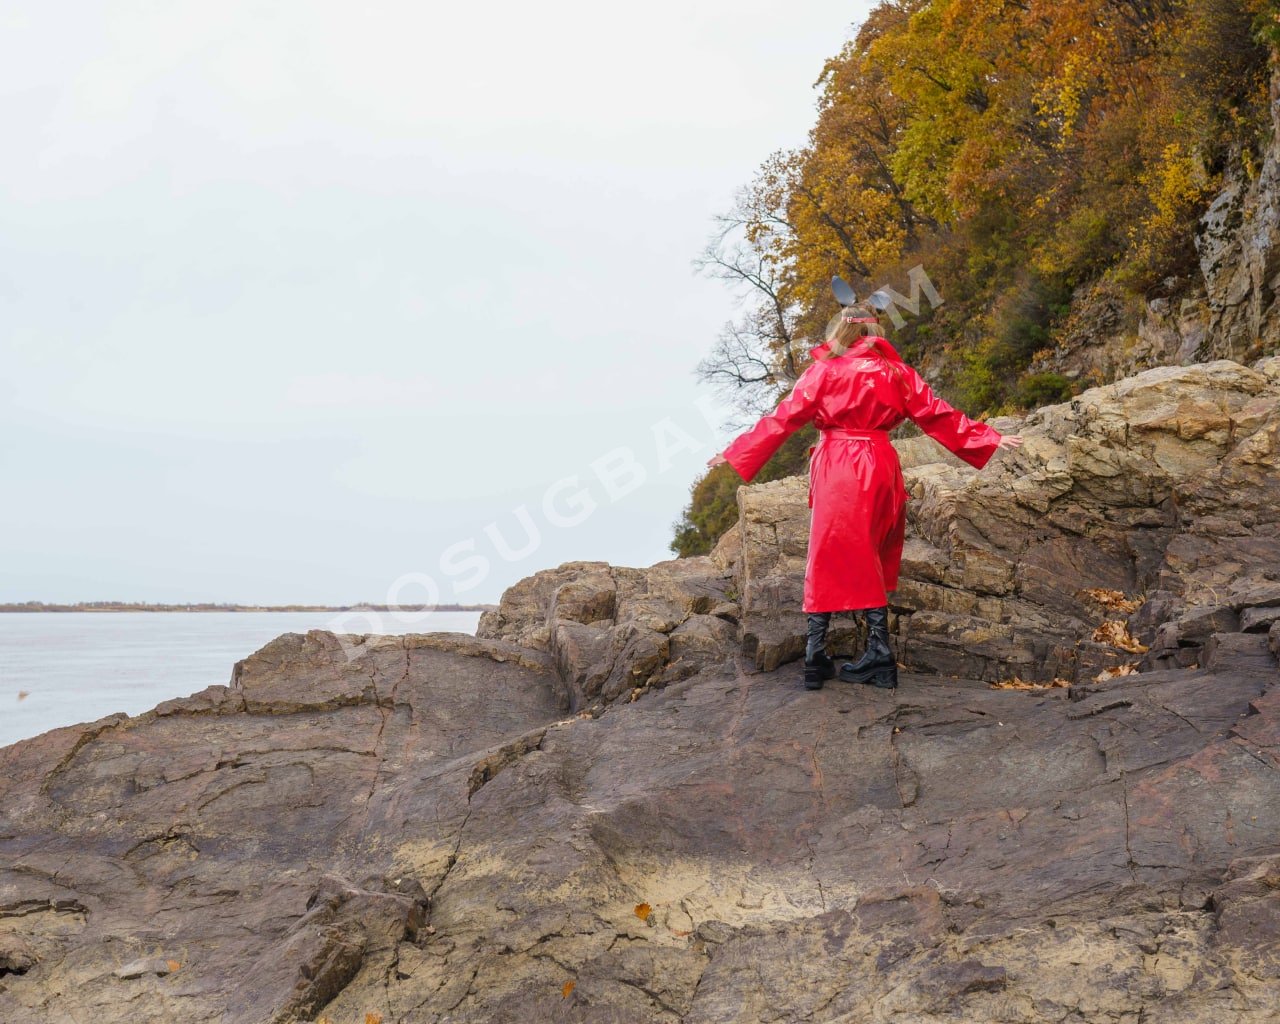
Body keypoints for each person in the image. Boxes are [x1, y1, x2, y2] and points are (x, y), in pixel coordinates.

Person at [706, 302, 1023, 691]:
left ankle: (816, 652)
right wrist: (989, 436)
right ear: (876, 333)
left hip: (839, 464)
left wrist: (735, 451)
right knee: (870, 551)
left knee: (826, 552)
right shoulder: (896, 373)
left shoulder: (821, 372)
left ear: (841, 332)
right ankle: (876, 652)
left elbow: (783, 418)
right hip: (880, 463)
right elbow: (938, 414)